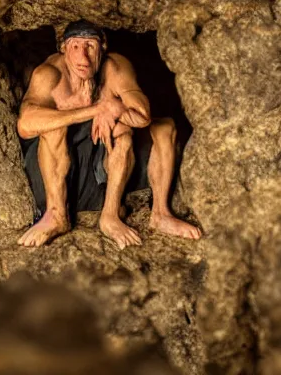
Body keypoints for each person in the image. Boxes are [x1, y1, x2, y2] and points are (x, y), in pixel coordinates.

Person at [16, 20, 201, 249]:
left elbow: (142, 116)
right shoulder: (50, 74)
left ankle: (139, 214)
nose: (83, 57)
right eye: (75, 47)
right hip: (57, 175)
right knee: (53, 128)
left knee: (162, 127)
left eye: (90, 46)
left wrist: (113, 107)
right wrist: (96, 110)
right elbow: (25, 124)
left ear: (102, 48)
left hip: (103, 172)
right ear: (64, 48)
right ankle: (56, 216)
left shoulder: (114, 67)